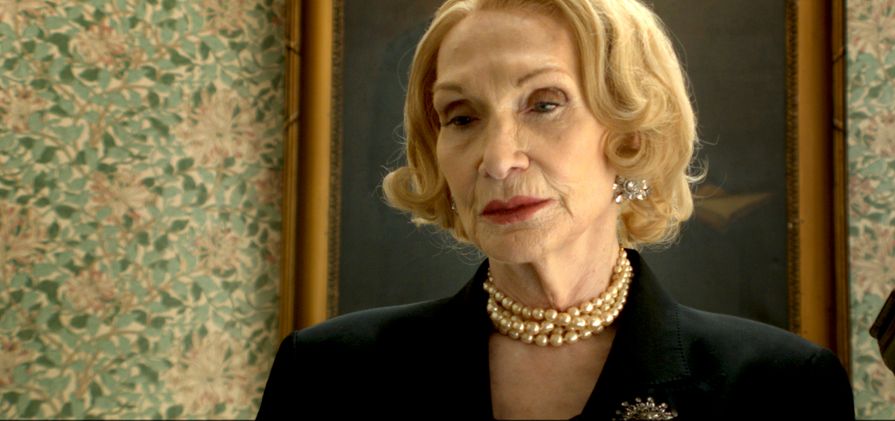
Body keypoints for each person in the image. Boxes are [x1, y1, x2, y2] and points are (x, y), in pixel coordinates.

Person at [256, 0, 855, 419]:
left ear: (630, 135)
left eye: (544, 104)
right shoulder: (325, 375)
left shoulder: (782, 387)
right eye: (462, 117)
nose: (497, 160)